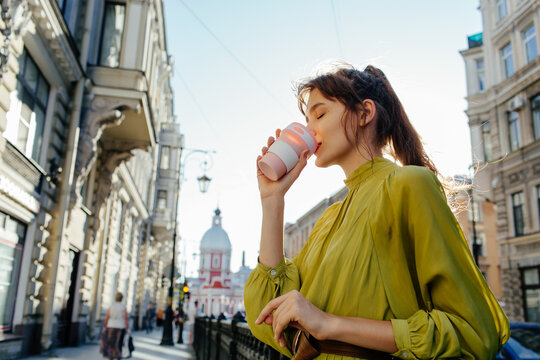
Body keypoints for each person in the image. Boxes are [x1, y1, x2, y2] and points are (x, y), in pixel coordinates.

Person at [244, 62, 509, 359]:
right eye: (306, 120)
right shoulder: (329, 219)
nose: (310, 130)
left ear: (365, 114)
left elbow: (471, 332)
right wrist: (273, 200)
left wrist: (330, 324)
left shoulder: (409, 185)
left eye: (319, 114)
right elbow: (269, 318)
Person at [100, 292, 129, 360]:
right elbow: (125, 318)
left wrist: (105, 326)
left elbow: (107, 317)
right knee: (119, 343)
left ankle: (111, 357)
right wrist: (127, 328)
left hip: (111, 326)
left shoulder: (112, 306)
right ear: (122, 298)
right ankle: (119, 357)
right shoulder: (123, 307)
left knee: (111, 343)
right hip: (121, 327)